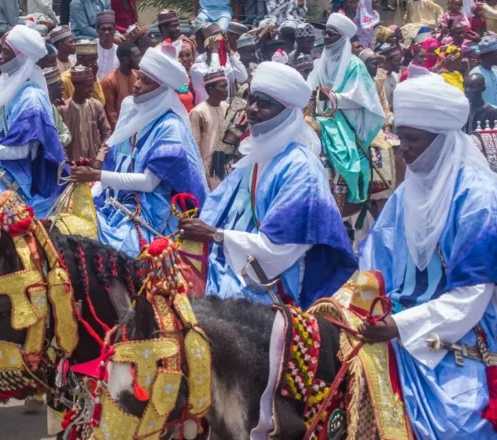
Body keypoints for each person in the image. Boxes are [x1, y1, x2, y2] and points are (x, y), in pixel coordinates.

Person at [358, 74, 497, 439]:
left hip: (462, 330)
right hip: (392, 318)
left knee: (458, 425)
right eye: (401, 137)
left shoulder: (477, 197)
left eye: (413, 139)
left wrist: (401, 327)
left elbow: (471, 296)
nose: (403, 148)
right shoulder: (407, 193)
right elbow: (373, 259)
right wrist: (361, 307)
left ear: (441, 141)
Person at [180, 62, 354, 307]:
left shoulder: (301, 168)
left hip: (265, 284)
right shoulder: (257, 156)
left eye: (265, 103)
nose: (252, 109)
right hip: (227, 262)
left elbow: (279, 252)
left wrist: (214, 235)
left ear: (287, 112)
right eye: (252, 99)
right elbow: (215, 210)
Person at [70, 46, 208, 258]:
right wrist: (93, 183)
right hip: (115, 200)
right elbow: (116, 162)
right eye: (138, 78)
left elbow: (149, 183)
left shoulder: (170, 127)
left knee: (114, 250)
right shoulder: (132, 113)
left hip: (148, 212)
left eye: (145, 81)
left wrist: (97, 175)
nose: (136, 85)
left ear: (162, 89)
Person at [0, 24, 67, 218]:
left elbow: (21, 151)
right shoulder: (9, 86)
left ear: (21, 57)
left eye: (6, 52)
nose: (0, 57)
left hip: (13, 175)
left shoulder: (31, 98)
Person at [308, 13, 385, 210]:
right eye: (325, 33)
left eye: (331, 34)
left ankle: (340, 203)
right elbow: (310, 88)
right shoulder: (320, 63)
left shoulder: (355, 65)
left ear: (342, 38)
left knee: (342, 156)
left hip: (345, 122)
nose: (325, 37)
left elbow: (358, 98)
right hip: (319, 116)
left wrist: (324, 96)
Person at [60, 66, 111, 166]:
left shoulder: (96, 106)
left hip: (94, 164)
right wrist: (67, 164)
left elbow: (107, 133)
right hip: (72, 166)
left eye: (92, 86)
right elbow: (60, 141)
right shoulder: (63, 109)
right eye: (88, 86)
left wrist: (100, 158)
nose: (92, 90)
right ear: (77, 86)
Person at [190, 69, 229, 190]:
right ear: (211, 89)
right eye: (222, 86)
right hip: (207, 168)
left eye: (226, 85)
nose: (226, 89)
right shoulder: (198, 112)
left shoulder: (227, 107)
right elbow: (194, 145)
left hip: (227, 165)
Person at [190, 23, 248, 105]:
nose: (220, 43)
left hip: (223, 111)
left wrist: (230, 52)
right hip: (205, 112)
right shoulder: (197, 67)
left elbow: (242, 77)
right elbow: (215, 77)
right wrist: (214, 52)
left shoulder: (225, 66)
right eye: (217, 40)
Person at [101, 40, 139, 128]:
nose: (139, 58)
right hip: (120, 128)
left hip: (138, 125)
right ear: (126, 59)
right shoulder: (109, 81)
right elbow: (110, 112)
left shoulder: (138, 75)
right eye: (136, 56)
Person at [62, 40, 105, 104]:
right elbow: (64, 107)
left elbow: (101, 102)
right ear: (80, 58)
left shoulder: (92, 75)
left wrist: (94, 79)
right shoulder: (64, 79)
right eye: (92, 59)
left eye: (96, 59)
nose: (95, 63)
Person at [360, 49, 393, 125]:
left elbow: (384, 106)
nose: (378, 67)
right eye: (375, 64)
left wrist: (390, 120)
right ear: (363, 65)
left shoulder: (378, 82)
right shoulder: (359, 83)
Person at [44, 67, 72, 149]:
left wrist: (56, 140)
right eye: (59, 84)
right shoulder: (41, 108)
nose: (63, 87)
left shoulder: (52, 107)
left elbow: (67, 134)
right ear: (49, 88)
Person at [471, 37, 497, 106]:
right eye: (496, 54)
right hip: (484, 115)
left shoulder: (495, 71)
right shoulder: (476, 74)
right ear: (486, 55)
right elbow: (474, 100)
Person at [376, 43, 401, 108]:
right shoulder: (378, 80)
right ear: (386, 61)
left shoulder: (396, 75)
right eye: (397, 60)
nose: (400, 63)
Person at [96, 10, 119, 81]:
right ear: (97, 30)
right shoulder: (90, 49)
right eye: (103, 29)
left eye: (110, 29)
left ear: (115, 30)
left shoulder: (119, 51)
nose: (107, 32)